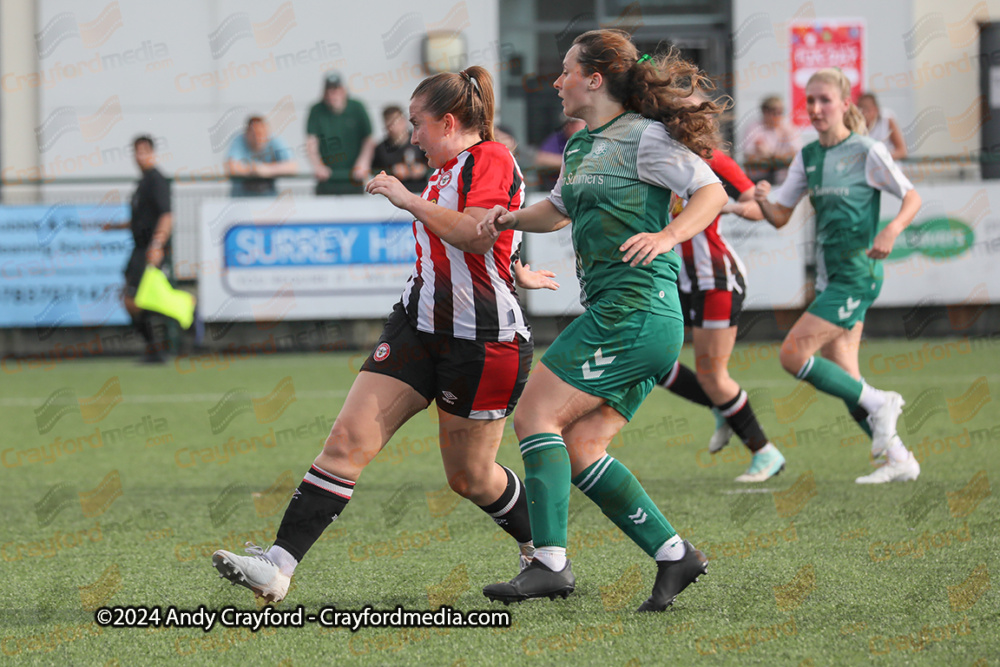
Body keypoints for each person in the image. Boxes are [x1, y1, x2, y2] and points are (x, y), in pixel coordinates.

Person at [211, 66, 539, 604]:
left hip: (482, 343)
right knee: (345, 442)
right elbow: (483, 240)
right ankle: (277, 566)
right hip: (416, 326)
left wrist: (408, 198)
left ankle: (544, 553)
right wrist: (518, 266)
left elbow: (478, 237)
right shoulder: (447, 166)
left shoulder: (492, 157)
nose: (411, 136)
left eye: (417, 124)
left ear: (449, 121)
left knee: (471, 478)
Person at [478, 30, 728, 611]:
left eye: (565, 70)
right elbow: (558, 211)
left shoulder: (645, 138)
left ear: (594, 80)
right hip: (629, 318)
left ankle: (549, 564)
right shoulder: (580, 145)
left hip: (634, 314)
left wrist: (668, 235)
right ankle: (674, 555)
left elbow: (710, 193)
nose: (557, 81)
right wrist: (507, 218)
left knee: (536, 414)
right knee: (583, 445)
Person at [754, 68, 923, 484]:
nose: (815, 108)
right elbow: (780, 216)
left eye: (824, 100)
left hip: (857, 276)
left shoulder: (867, 150)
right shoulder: (808, 156)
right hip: (832, 281)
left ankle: (883, 404)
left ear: (845, 104)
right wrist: (761, 199)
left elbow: (912, 196)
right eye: (810, 100)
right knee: (846, 377)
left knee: (792, 355)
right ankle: (899, 458)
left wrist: (892, 229)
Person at [658, 130, 785, 482]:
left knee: (713, 374)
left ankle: (765, 452)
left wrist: (729, 204)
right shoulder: (652, 156)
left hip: (716, 279)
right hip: (678, 279)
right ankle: (723, 408)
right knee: (654, 361)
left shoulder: (713, 160)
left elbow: (759, 209)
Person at [102, 135, 172, 363]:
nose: (139, 156)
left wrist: (157, 245)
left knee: (134, 300)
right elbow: (141, 219)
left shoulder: (157, 180)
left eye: (143, 151)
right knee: (130, 298)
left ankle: (183, 319)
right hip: (137, 249)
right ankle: (154, 349)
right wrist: (114, 227)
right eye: (136, 152)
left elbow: (167, 215)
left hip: (148, 250)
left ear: (152, 152)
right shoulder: (141, 183)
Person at [306, 72, 376, 195]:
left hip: (353, 178)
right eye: (329, 91)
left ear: (343, 90)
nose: (332, 95)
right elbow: (311, 141)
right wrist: (318, 166)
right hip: (327, 180)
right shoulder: (316, 110)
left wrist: (363, 163)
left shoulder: (357, 107)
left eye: (336, 90)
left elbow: (368, 139)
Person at [224, 116, 297, 197]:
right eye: (254, 134)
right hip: (241, 198)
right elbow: (230, 167)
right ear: (247, 134)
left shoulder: (274, 140)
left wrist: (267, 170)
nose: (258, 138)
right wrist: (253, 170)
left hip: (268, 199)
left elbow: (292, 167)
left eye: (261, 134)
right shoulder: (238, 141)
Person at [743, 95, 801, 184]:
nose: (778, 116)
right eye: (774, 113)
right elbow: (749, 156)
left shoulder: (788, 128)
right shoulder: (754, 128)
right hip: (759, 179)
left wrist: (769, 155)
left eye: (780, 112)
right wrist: (776, 156)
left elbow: (797, 154)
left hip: (784, 179)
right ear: (765, 112)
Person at [371, 105, 429, 193]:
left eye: (395, 122)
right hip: (393, 195)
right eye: (389, 123)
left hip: (421, 191)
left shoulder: (419, 141)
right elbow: (373, 172)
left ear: (404, 121)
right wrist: (392, 172)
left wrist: (423, 169)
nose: (393, 127)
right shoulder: (381, 149)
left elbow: (435, 163)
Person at [535, 116, 587, 189]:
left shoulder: (593, 139)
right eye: (569, 124)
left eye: (575, 123)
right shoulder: (560, 138)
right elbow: (540, 159)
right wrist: (571, 161)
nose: (570, 127)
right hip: (558, 188)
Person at [857, 93, 908, 161]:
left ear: (875, 109)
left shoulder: (887, 119)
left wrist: (881, 157)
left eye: (866, 109)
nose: (863, 112)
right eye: (860, 109)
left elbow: (902, 151)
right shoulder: (856, 124)